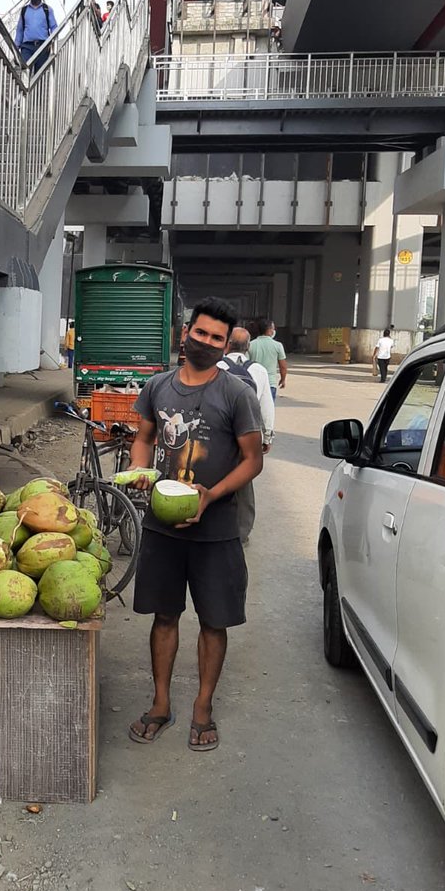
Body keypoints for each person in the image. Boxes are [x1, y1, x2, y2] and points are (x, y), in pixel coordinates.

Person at [126, 297, 264, 751]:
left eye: (216, 338)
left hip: (216, 528)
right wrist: (142, 474)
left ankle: (202, 707)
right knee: (165, 615)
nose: (206, 343)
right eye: (200, 333)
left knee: (213, 620)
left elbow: (252, 461)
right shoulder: (158, 387)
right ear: (186, 333)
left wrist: (212, 495)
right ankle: (161, 703)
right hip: (162, 528)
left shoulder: (237, 394)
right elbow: (143, 439)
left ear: (227, 345)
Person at [219, 326, 274, 544]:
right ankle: (241, 532)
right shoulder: (259, 371)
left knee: (212, 476)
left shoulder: (217, 366)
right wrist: (267, 436)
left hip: (219, 434)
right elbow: (266, 407)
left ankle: (211, 525)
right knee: (243, 482)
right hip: (247, 434)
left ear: (227, 344)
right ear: (248, 347)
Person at [14, 0, 57, 73]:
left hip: (43, 47)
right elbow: (20, 30)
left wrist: (52, 43)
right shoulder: (24, 10)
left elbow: (54, 28)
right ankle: (25, 88)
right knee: (25, 73)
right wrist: (16, 47)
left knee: (39, 75)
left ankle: (38, 88)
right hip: (26, 47)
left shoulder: (47, 9)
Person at [249, 318, 287, 402]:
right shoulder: (278, 346)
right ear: (269, 330)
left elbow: (245, 364)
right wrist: (283, 379)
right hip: (270, 383)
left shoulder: (250, 345)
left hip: (253, 382)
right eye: (273, 328)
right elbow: (283, 366)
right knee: (268, 412)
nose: (274, 330)